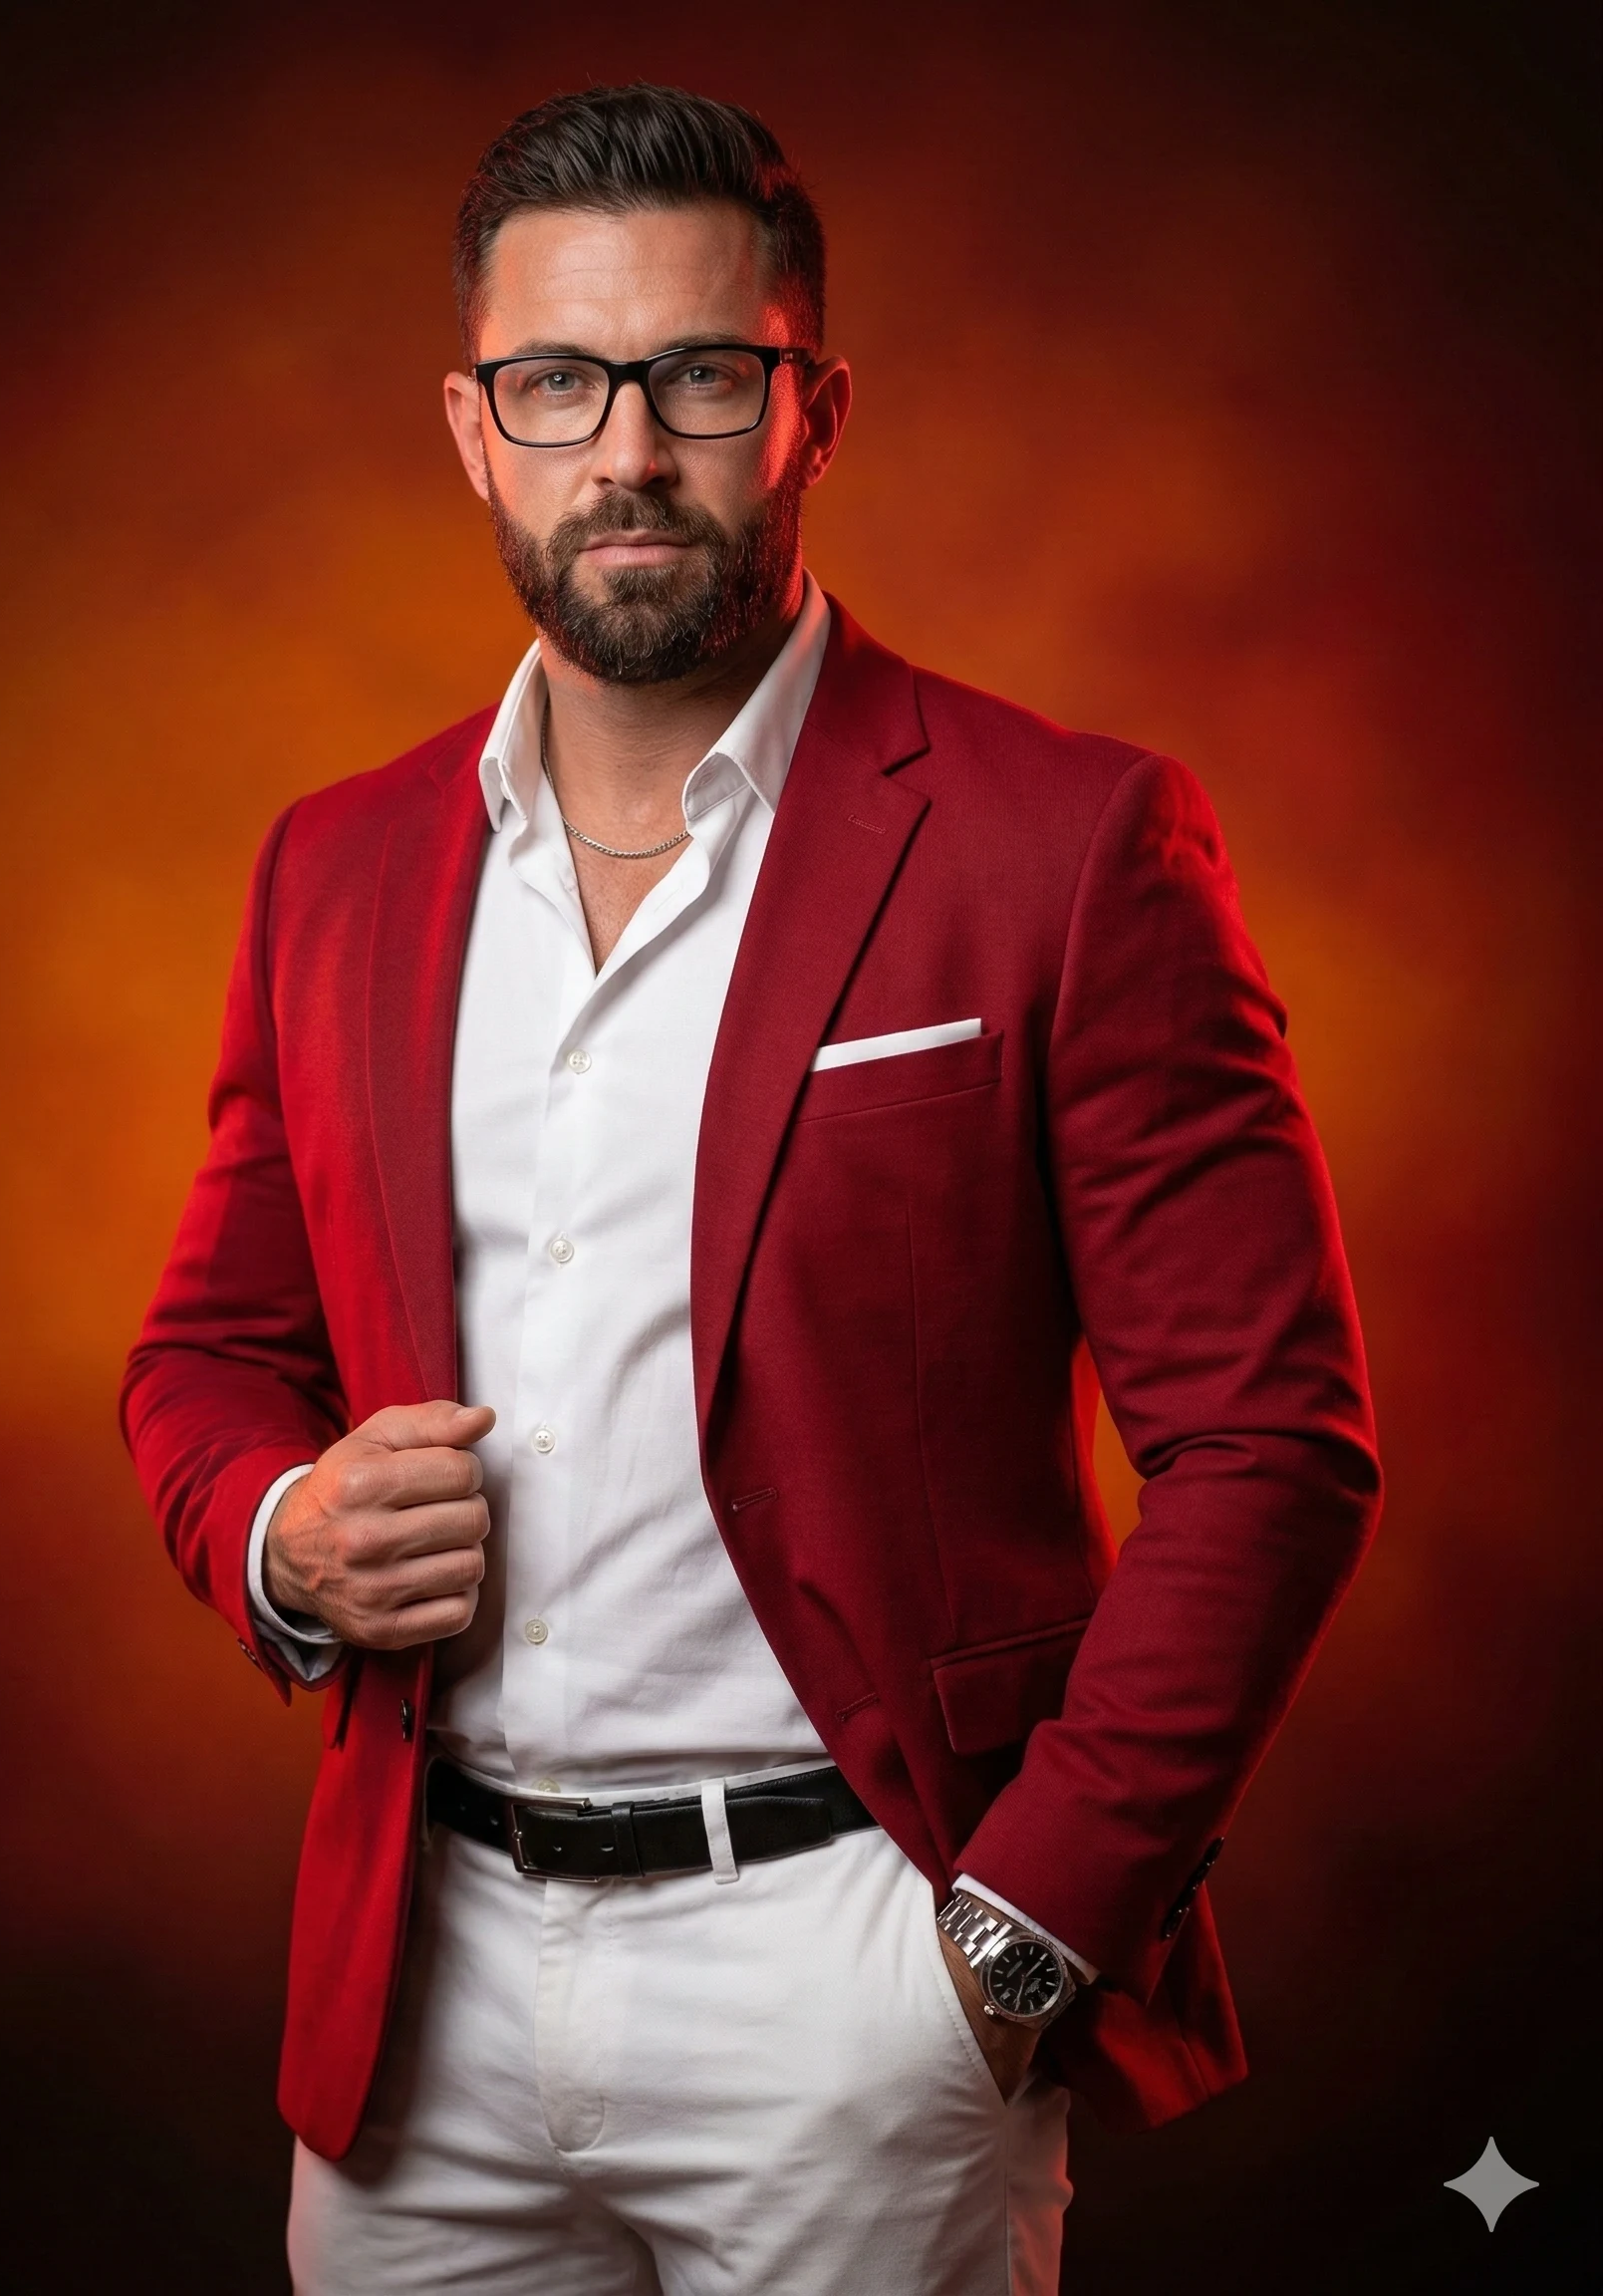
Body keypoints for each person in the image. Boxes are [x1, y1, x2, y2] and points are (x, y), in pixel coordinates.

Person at [122, 83, 1381, 2296]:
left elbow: (1270, 1446)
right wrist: (281, 1532)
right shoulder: (335, 864)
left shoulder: (1070, 844)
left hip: (855, 1979)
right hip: (419, 1990)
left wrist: (1016, 1941)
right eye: (556, 382)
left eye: (702, 375)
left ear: (814, 410)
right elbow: (214, 1352)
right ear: (472, 428)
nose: (625, 451)